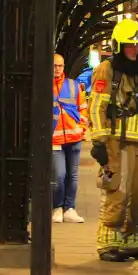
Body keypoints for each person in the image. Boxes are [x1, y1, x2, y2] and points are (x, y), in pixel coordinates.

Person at [88, 18, 138, 262]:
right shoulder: (106, 70)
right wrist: (99, 141)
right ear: (118, 46)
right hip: (117, 143)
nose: (134, 50)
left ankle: (131, 242)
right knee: (117, 192)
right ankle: (108, 243)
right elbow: (97, 106)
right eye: (129, 45)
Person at [52, 53, 86, 223]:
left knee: (72, 176)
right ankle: (57, 207)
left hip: (75, 138)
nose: (57, 69)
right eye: (54, 66)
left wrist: (82, 128)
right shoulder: (44, 87)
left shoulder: (73, 86)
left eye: (60, 66)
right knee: (59, 176)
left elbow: (83, 109)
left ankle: (69, 208)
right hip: (55, 141)